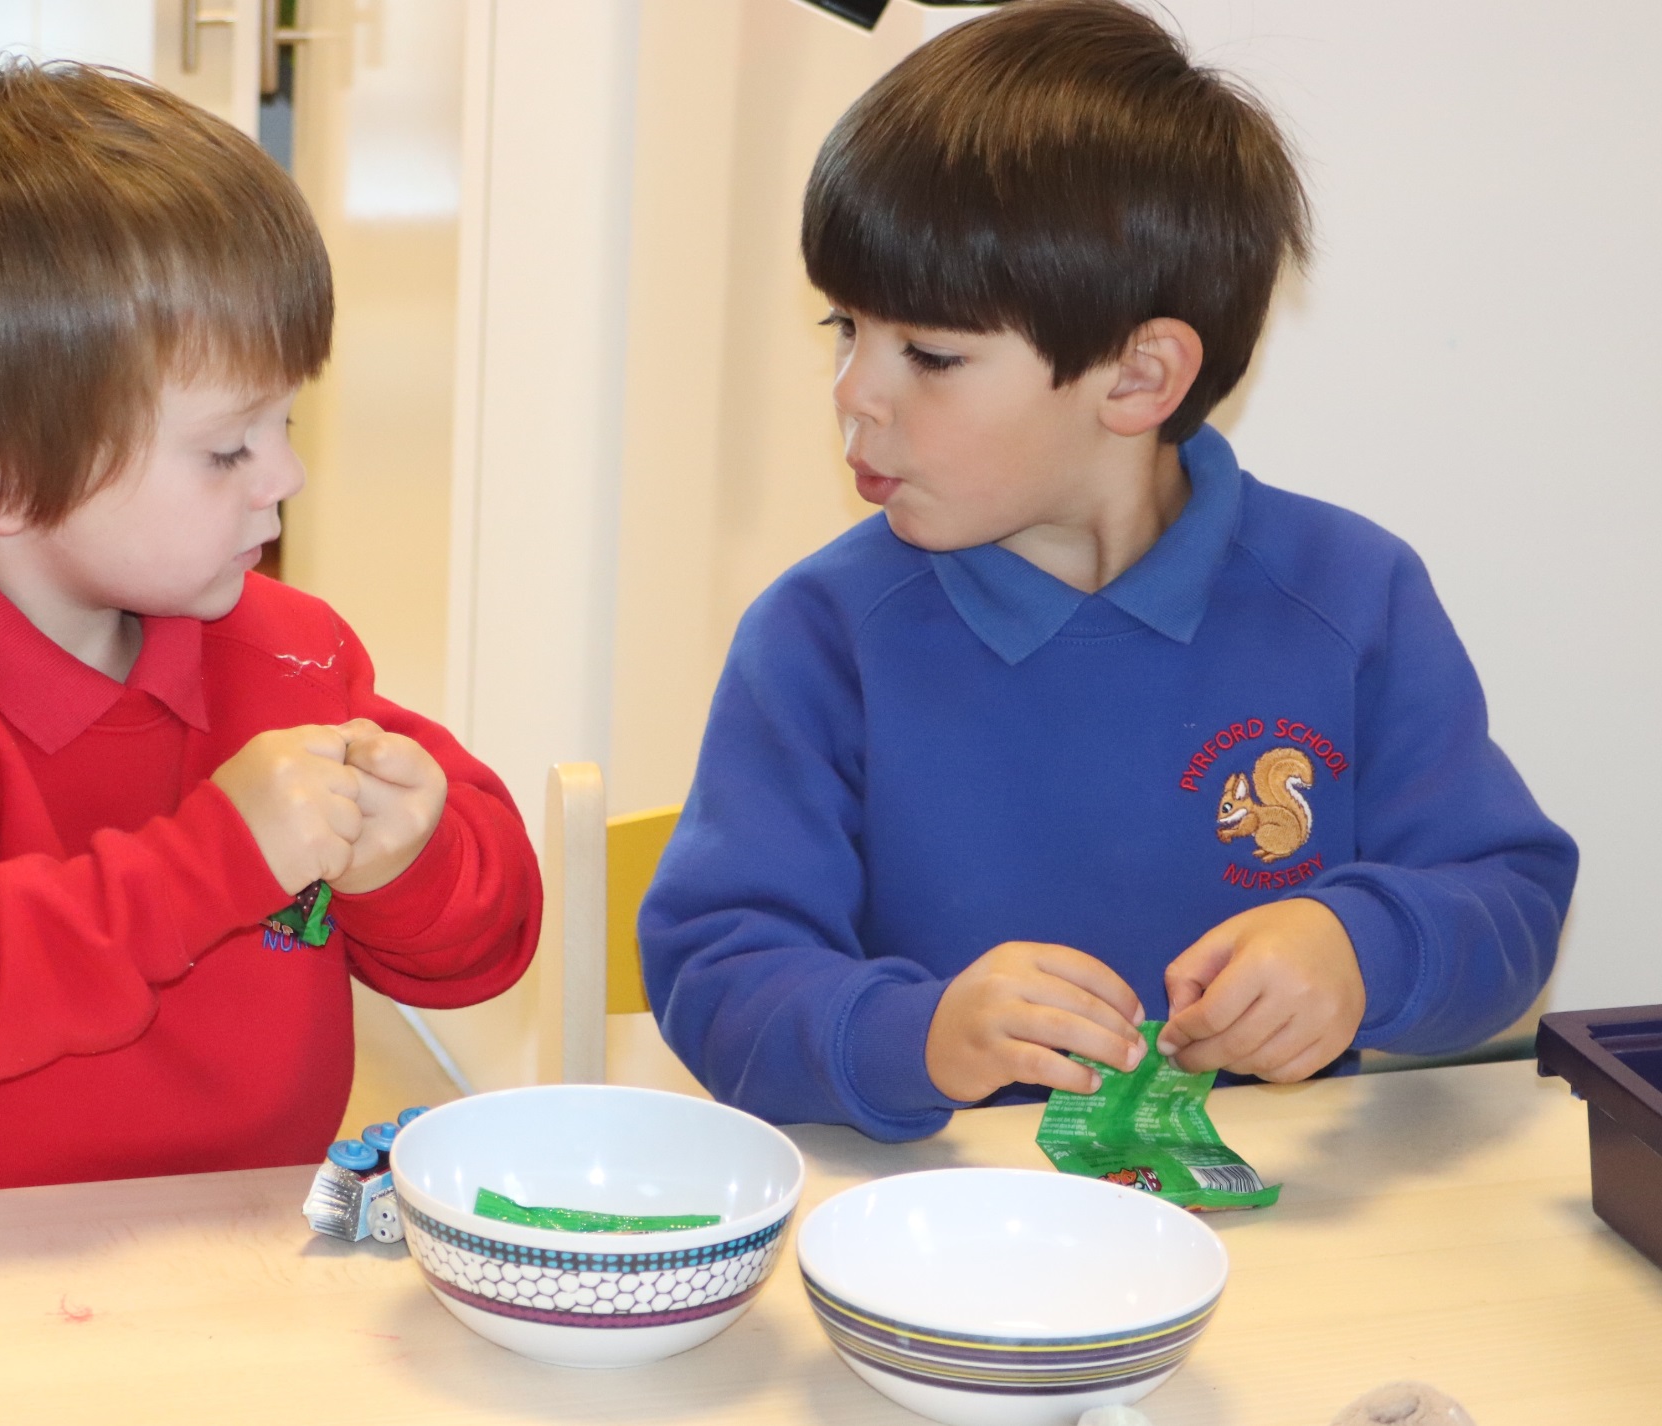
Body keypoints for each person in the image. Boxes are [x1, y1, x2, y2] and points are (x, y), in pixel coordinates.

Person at [638, 0, 1578, 1141]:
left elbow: (1508, 900)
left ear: (1136, 378)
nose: (853, 393)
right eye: (846, 329)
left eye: (928, 352)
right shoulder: (819, 636)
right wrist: (919, 1035)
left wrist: (1358, 947)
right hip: (941, 1218)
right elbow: (717, 973)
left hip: (1279, 1221)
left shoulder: (1350, 596)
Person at [0, 61, 540, 1205]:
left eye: (285, 421)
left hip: (228, 1262)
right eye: (227, 447)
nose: (285, 476)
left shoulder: (289, 655)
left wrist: (410, 857)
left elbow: (485, 946)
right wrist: (215, 861)